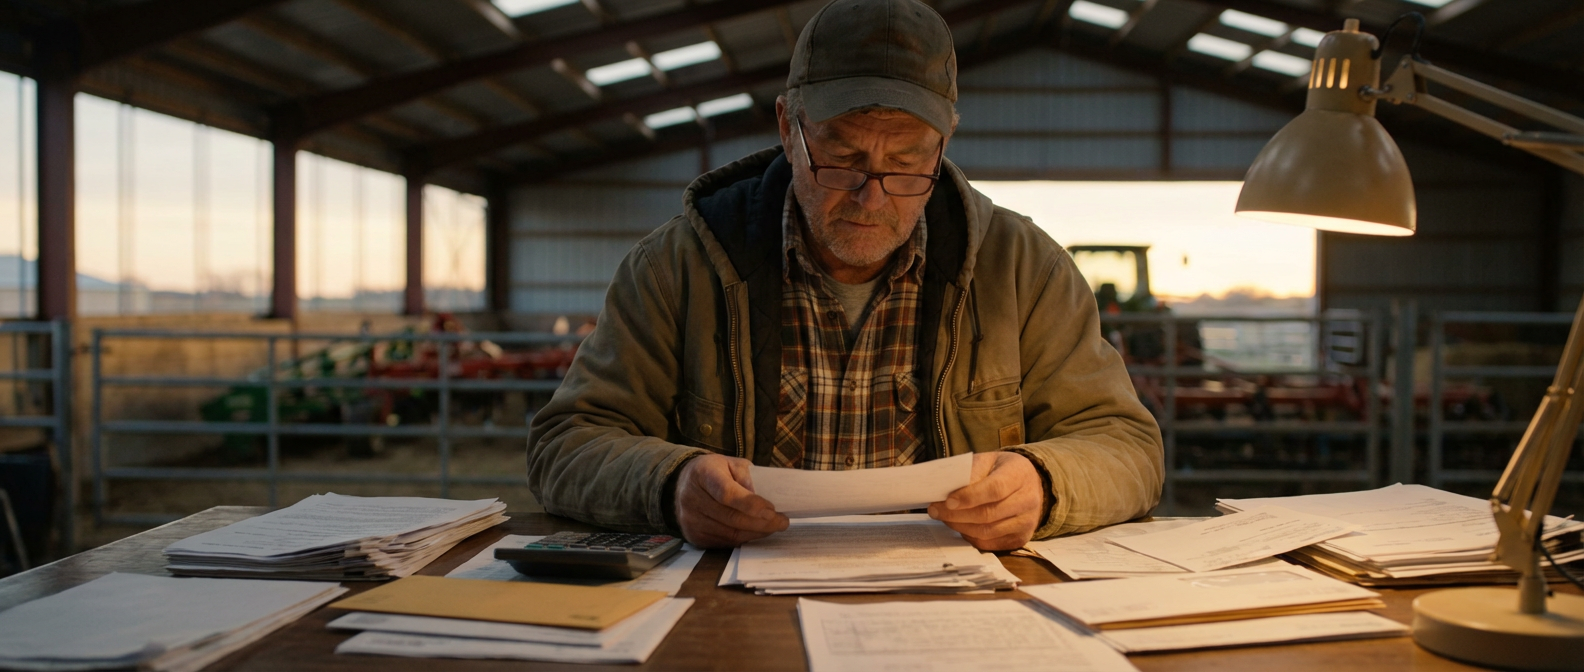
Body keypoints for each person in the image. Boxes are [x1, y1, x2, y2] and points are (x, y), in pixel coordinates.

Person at [527, 0, 1163, 551]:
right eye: (842, 155)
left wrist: (1044, 483)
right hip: (740, 600)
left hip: (950, 594)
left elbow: (1128, 445)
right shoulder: (678, 268)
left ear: (944, 143)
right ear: (788, 128)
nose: (871, 195)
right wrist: (670, 485)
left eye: (906, 161)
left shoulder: (1024, 271)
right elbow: (566, 443)